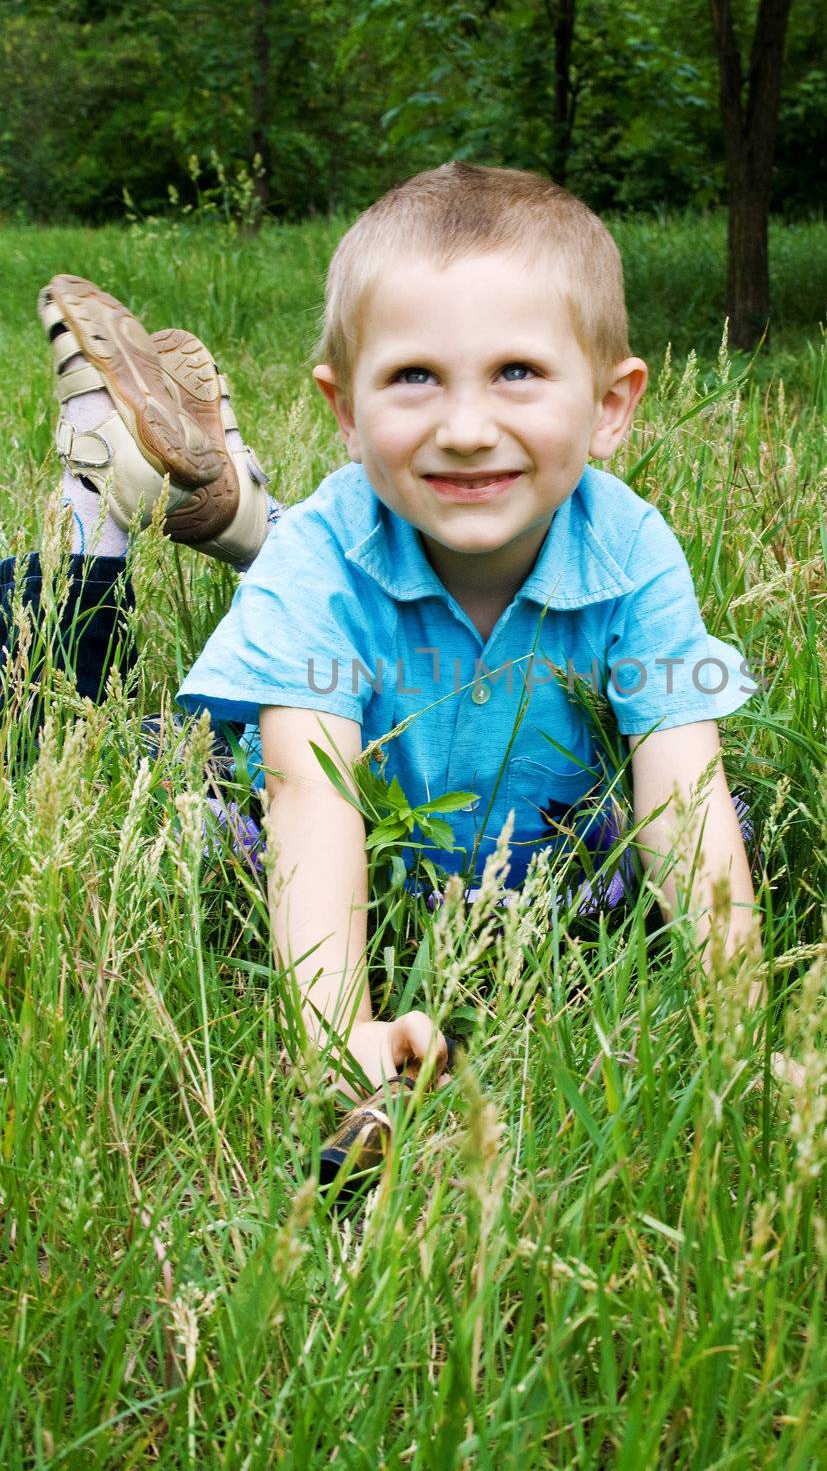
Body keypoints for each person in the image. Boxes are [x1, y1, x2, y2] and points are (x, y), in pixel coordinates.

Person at [5, 163, 764, 1180]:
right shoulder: (326, 562)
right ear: (346, 409)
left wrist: (740, 1032)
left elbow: (685, 798)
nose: (463, 425)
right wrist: (340, 1029)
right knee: (58, 743)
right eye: (413, 377)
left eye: (517, 373)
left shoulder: (629, 552)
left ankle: (238, 509)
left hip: (526, 865)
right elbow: (307, 802)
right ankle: (98, 500)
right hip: (295, 769)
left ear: (609, 405)